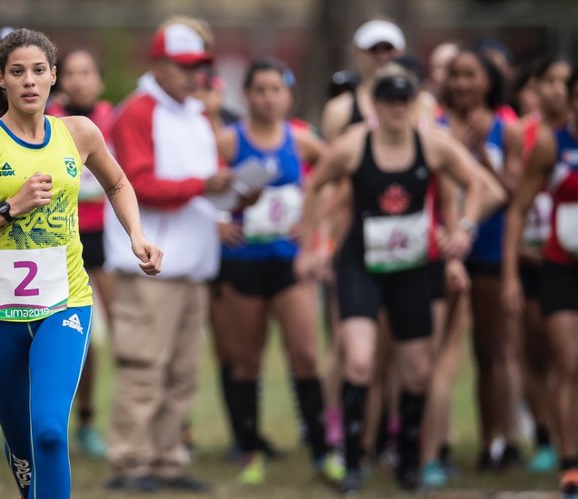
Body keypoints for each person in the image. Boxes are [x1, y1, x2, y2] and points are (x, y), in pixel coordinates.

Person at [0, 28, 162, 498]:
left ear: (54, 76)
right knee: (22, 449)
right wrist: (8, 208)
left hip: (65, 304)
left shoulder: (79, 132)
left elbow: (118, 184)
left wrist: (136, 235)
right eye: (17, 72)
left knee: (51, 432)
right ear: (2, 79)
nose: (29, 81)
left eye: (38, 71)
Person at [296, 63, 504, 493]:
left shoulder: (433, 146)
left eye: (402, 101)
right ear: (374, 105)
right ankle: (352, 460)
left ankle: (408, 459)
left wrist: (462, 231)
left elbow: (479, 185)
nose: (395, 109)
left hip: (412, 269)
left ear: (413, 104)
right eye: (387, 101)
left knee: (417, 372)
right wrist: (313, 247)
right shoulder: (355, 146)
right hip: (361, 266)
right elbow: (317, 186)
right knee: (358, 360)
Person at [102, 18, 232, 493]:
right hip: (150, 263)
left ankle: (167, 459)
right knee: (143, 366)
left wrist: (233, 195)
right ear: (158, 64)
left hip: (194, 261)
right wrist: (205, 185)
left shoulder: (196, 115)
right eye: (184, 66)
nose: (194, 74)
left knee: (181, 372)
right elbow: (134, 184)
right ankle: (132, 461)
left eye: (200, 66)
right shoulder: (137, 111)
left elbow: (204, 184)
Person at [214, 58, 343, 486]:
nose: (268, 98)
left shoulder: (302, 140)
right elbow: (198, 186)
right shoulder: (229, 141)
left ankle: (323, 452)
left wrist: (314, 226)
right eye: (260, 90)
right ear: (247, 96)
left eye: (276, 90)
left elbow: (340, 181)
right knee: (247, 361)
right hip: (243, 265)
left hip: (290, 265)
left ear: (288, 96)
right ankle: (251, 450)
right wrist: (218, 221)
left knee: (306, 355)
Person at [439, 46, 524, 471]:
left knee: (489, 351)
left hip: (488, 248)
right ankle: (435, 446)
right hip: (444, 249)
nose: (461, 83)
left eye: (470, 74)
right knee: (437, 352)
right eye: (455, 75)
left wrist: (483, 158)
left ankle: (491, 443)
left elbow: (514, 191)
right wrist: (453, 147)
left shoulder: (505, 129)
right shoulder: (435, 127)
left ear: (488, 81)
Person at [503, 66, 578, 499]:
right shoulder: (552, 145)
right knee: (566, 362)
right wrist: (512, 272)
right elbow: (517, 209)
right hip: (559, 267)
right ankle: (569, 463)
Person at [45, 47, 114, 458]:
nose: (78, 80)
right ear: (58, 78)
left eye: (86, 72)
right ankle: (60, 419)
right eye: (70, 72)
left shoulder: (113, 119)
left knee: (123, 329)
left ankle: (103, 421)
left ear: (99, 81)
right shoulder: (45, 118)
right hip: (58, 237)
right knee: (73, 334)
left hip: (104, 239)